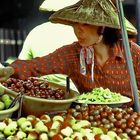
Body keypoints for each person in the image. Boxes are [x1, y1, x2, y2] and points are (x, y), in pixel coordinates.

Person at [0, 0, 139, 107]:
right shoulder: (72, 54)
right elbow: (40, 64)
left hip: (128, 122)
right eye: (75, 24)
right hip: (88, 122)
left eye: (85, 24)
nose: (78, 30)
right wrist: (10, 70)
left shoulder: (132, 53)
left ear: (103, 26)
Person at [18, 0, 78, 90]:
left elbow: (22, 64)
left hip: (40, 91)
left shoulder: (36, 31)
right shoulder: (79, 33)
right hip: (72, 92)